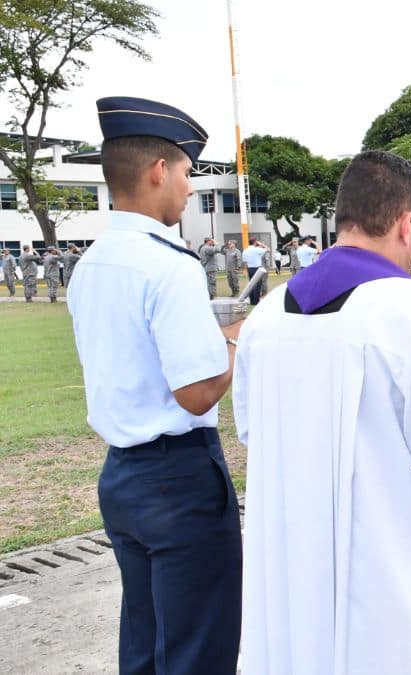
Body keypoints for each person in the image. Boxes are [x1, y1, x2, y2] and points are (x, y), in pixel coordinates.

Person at [235, 150, 411, 674]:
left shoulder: (267, 316)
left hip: (292, 559)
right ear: (409, 224)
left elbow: (255, 430)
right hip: (389, 565)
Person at [68, 96, 242, 674]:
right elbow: (196, 392)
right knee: (197, 649)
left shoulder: (92, 263)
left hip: (123, 476)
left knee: (145, 645)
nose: (191, 189)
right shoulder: (169, 265)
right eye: (189, 173)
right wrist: (242, 334)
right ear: (158, 171)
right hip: (179, 478)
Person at [242, 237, 267, 305]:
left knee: (251, 285)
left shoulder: (245, 250)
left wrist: (246, 270)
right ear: (255, 242)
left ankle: (252, 300)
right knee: (257, 285)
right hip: (257, 268)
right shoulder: (257, 249)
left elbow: (244, 262)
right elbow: (268, 249)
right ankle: (256, 301)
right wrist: (261, 244)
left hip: (249, 268)